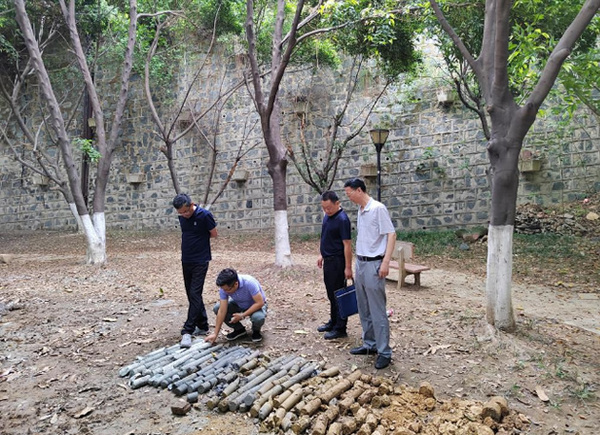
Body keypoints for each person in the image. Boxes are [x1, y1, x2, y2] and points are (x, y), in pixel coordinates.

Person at [343, 178, 396, 369]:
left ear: (359, 190)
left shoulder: (378, 208)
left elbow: (391, 234)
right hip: (361, 263)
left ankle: (384, 351)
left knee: (377, 310)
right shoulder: (361, 210)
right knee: (363, 307)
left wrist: (385, 262)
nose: (348, 197)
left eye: (349, 193)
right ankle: (370, 343)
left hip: (375, 264)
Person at [173, 193, 218, 349]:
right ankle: (203, 325)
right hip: (186, 259)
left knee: (194, 293)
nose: (184, 215)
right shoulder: (182, 218)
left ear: (191, 204)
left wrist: (200, 241)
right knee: (191, 293)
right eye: (181, 213)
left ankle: (188, 329)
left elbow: (214, 234)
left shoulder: (204, 215)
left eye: (186, 211)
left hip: (201, 259)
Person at [317, 190, 353, 339]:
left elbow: (347, 245)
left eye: (329, 208)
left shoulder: (343, 220)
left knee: (339, 295)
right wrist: (321, 254)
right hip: (328, 261)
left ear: (337, 203)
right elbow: (325, 236)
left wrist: (348, 267)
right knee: (331, 294)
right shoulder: (327, 216)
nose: (326, 210)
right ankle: (333, 321)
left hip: (338, 262)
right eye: (324, 208)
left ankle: (340, 328)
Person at [205, 268, 267, 344]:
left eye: (228, 290)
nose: (225, 291)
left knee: (258, 317)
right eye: (223, 289)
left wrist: (242, 315)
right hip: (239, 303)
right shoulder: (224, 288)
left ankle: (256, 331)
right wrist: (215, 334)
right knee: (217, 308)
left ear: (236, 284)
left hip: (255, 304)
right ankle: (239, 330)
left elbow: (260, 303)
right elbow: (222, 310)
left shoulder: (249, 283)